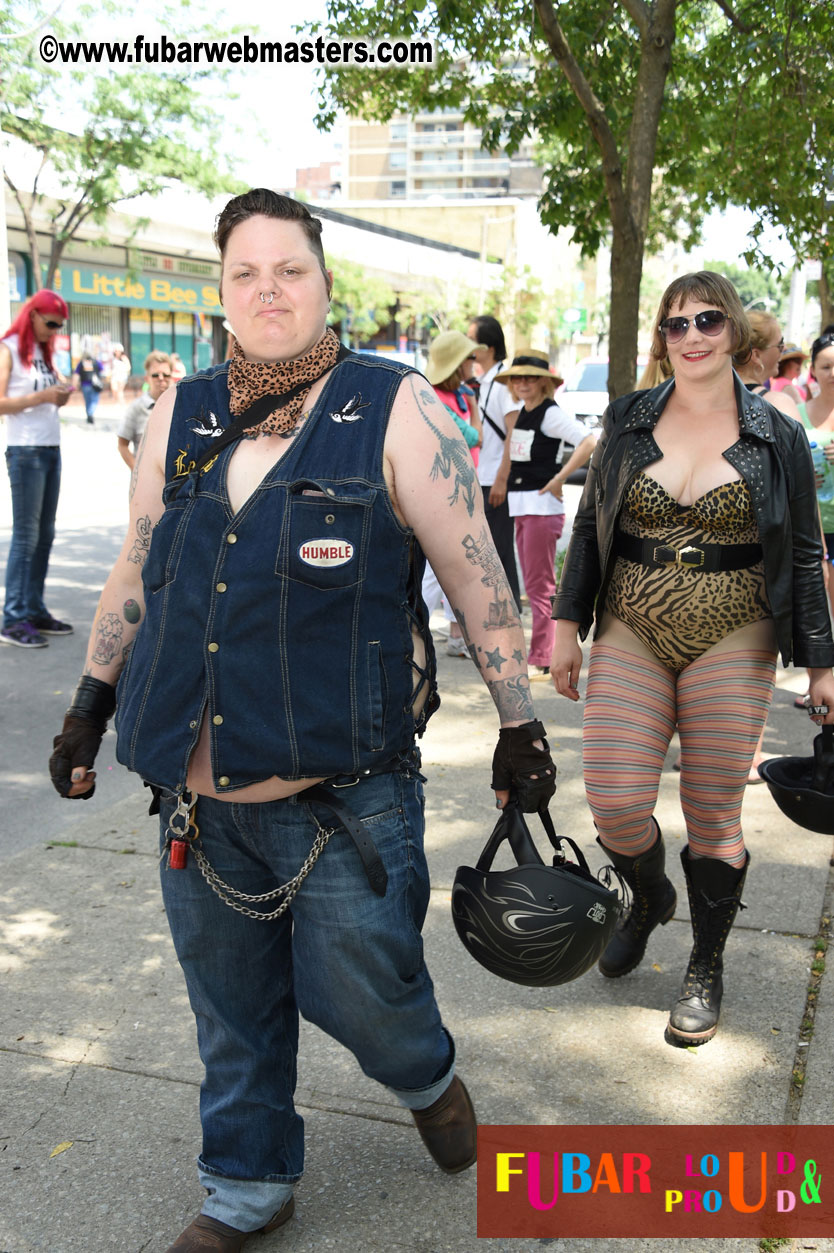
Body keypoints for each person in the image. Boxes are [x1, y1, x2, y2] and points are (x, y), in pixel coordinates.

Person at [49, 189, 556, 1253]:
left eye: (289, 269)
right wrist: (91, 702)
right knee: (230, 1010)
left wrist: (521, 724)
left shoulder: (397, 404)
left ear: (325, 284)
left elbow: (478, 577)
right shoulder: (179, 413)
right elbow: (136, 570)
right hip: (196, 799)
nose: (267, 289)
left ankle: (422, 1070)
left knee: (368, 996)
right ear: (222, 290)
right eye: (245, 272)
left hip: (344, 802)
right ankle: (245, 1182)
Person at [551, 271, 834, 1049]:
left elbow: (805, 553)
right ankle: (647, 897)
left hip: (734, 628)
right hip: (632, 623)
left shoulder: (776, 434)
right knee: (612, 797)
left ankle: (705, 964)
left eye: (708, 319)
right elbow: (591, 524)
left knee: (713, 812)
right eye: (676, 325)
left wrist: (822, 662)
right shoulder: (630, 417)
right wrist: (565, 623)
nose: (693, 335)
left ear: (734, 330)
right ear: (662, 338)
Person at [493, 350, 595, 674]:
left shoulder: (550, 414)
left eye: (530, 377)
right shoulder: (524, 411)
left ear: (543, 382)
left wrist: (559, 478)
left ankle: (543, 656)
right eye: (517, 377)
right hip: (523, 506)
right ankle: (541, 653)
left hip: (540, 509)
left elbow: (588, 441)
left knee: (540, 587)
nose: (523, 383)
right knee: (535, 585)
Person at [0, 290, 73, 648]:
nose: (54, 329)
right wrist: (41, 397)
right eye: (50, 323)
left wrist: (60, 393)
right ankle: (12, 617)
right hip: (25, 450)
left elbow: (46, 394)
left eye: (60, 325)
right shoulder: (8, 348)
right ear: (32, 315)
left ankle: (33, 608)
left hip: (49, 447)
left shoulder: (44, 352)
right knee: (27, 537)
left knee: (45, 535)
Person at [424, 330, 481, 657]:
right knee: (436, 570)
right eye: (468, 358)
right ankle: (411, 627)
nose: (473, 364)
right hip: (446, 492)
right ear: (456, 364)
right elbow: (475, 437)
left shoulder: (453, 395)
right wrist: (472, 404)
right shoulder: (433, 397)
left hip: (460, 490)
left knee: (454, 566)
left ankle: (457, 637)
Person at [467, 315, 521, 608]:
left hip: (497, 481)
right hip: (482, 478)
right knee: (488, 552)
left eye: (471, 339)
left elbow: (514, 432)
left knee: (500, 552)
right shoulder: (484, 382)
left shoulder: (502, 383)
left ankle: (509, 611)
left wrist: (502, 478)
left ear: (486, 347)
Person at [799, 326, 834, 620]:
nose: (833, 372)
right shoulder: (796, 413)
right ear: (813, 370)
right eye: (826, 366)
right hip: (809, 528)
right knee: (814, 620)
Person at [117, 351, 172, 470]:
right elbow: (122, 445)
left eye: (166, 375)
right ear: (147, 378)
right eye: (155, 375)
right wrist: (137, 471)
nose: (161, 379)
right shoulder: (136, 408)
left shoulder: (179, 406)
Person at [74, 346, 103, 423]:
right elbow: (102, 370)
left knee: (87, 401)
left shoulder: (81, 363)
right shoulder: (96, 362)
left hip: (85, 385)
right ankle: (90, 414)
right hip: (94, 385)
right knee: (94, 400)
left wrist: (74, 385)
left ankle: (89, 414)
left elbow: (76, 374)